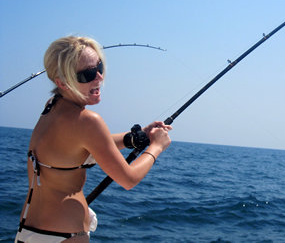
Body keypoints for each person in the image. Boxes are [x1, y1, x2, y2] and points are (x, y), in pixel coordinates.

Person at [15, 36, 172, 242]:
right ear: (61, 82)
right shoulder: (88, 121)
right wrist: (157, 146)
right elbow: (128, 179)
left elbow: (83, 144)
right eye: (87, 74)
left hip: (28, 231)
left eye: (99, 67)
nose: (98, 77)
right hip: (63, 235)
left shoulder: (52, 106)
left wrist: (131, 138)